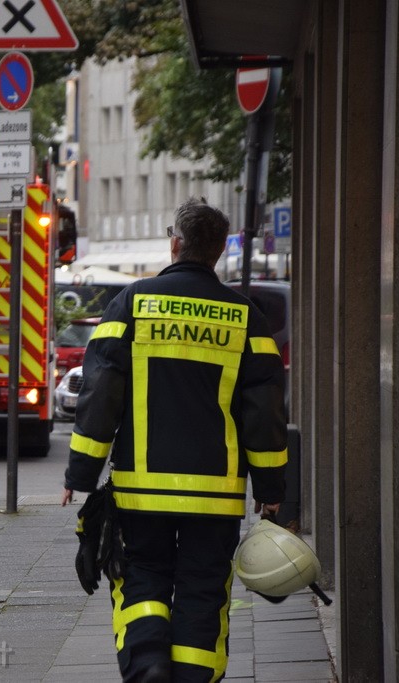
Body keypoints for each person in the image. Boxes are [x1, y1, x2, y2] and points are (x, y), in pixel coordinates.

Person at [61, 197, 288, 683]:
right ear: (220, 250)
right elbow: (264, 413)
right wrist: (271, 491)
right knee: (203, 591)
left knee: (141, 581)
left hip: (143, 491)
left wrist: (81, 473)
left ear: (175, 243)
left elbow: (101, 392)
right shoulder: (246, 318)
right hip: (216, 496)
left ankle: (149, 669)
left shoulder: (133, 303)